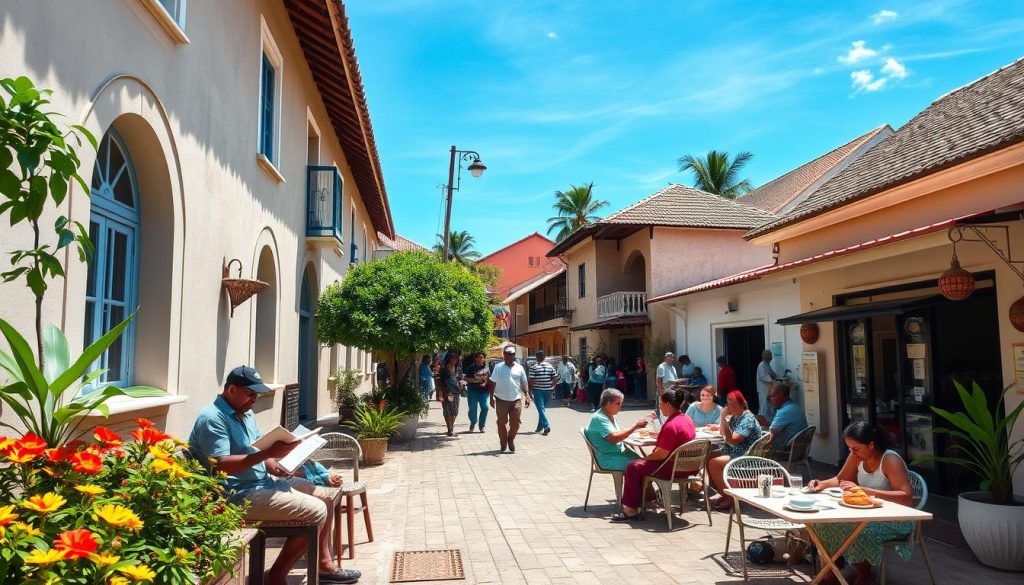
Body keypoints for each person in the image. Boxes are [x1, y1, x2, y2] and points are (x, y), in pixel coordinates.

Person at [189, 366, 360, 585]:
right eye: (250, 394)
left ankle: (324, 565)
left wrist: (275, 465)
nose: (255, 399)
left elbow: (257, 450)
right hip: (235, 495)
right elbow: (221, 465)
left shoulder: (246, 414)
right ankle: (276, 575)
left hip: (262, 482)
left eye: (257, 394)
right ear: (231, 390)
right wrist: (269, 454)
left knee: (325, 498)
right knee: (315, 510)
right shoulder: (213, 419)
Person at [808, 423, 914, 585]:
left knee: (855, 531)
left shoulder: (889, 460)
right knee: (822, 524)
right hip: (867, 515)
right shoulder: (857, 456)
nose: (852, 452)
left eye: (855, 448)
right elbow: (841, 479)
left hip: (896, 519)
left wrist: (866, 490)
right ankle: (834, 567)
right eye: (850, 448)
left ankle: (864, 574)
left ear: (871, 445)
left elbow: (906, 497)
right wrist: (821, 484)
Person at [611, 388, 697, 521]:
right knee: (639, 465)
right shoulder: (686, 419)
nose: (659, 407)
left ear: (668, 405)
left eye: (660, 404)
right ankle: (646, 499)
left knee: (633, 467)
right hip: (690, 466)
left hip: (673, 468)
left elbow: (662, 454)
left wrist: (646, 458)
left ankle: (632, 509)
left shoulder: (671, 425)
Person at [706, 390, 762, 511]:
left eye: (732, 404)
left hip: (745, 455)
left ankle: (730, 497)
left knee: (714, 463)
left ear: (741, 404)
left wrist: (723, 418)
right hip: (734, 450)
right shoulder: (737, 417)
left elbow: (733, 440)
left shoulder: (747, 419)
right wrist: (722, 418)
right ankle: (723, 492)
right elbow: (723, 434)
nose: (729, 407)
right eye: (728, 404)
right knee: (707, 457)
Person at [585, 389, 646, 471]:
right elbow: (615, 438)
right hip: (609, 459)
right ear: (608, 403)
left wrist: (635, 430)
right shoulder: (599, 418)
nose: (620, 406)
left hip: (618, 454)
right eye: (618, 403)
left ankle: (644, 483)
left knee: (647, 465)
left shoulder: (609, 416)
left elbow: (619, 432)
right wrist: (635, 427)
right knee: (642, 467)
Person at [489, 346, 531, 453]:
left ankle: (510, 438)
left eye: (511, 354)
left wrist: (527, 395)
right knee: (502, 422)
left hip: (516, 399)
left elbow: (524, 382)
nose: (509, 356)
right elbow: (492, 382)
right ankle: (503, 441)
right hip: (501, 399)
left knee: (516, 423)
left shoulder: (519, 368)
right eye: (507, 354)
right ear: (504, 355)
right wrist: (491, 397)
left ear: (514, 356)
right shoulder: (498, 367)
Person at [760, 383, 808, 456]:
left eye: (773, 396)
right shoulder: (795, 407)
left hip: (787, 452)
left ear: (781, 394)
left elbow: (771, 436)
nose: (771, 400)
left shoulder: (784, 411)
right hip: (800, 451)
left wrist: (763, 423)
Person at [528, 350, 558, 435]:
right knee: (542, 409)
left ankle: (546, 425)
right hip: (548, 390)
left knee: (541, 409)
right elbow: (555, 378)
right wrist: (553, 385)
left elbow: (531, 380)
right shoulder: (550, 366)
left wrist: (529, 391)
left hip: (538, 391)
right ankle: (539, 427)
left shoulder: (533, 367)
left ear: (537, 357)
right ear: (544, 357)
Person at [463, 352, 490, 433]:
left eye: (482, 357)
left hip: (484, 391)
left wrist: (485, 383)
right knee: (472, 408)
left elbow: (490, 379)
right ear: (475, 358)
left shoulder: (487, 368)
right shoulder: (471, 368)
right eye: (479, 357)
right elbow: (465, 379)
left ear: (484, 359)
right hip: (472, 391)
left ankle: (481, 426)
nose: (480, 359)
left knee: (485, 407)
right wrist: (475, 380)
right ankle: (473, 422)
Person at [439, 355, 462, 436]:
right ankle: (450, 429)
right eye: (453, 358)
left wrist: (460, 384)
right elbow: (440, 382)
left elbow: (460, 379)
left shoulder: (458, 369)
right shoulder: (444, 369)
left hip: (456, 393)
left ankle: (451, 427)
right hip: (447, 392)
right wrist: (440, 393)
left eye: (456, 358)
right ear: (449, 359)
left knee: (455, 411)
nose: (454, 360)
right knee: (448, 410)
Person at [756, 350, 778, 418]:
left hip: (767, 389)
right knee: (764, 406)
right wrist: (773, 380)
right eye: (769, 356)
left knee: (768, 406)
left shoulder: (767, 364)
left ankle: (767, 420)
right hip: (763, 389)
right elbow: (764, 376)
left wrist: (776, 376)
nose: (770, 358)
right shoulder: (762, 365)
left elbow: (771, 372)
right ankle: (764, 421)